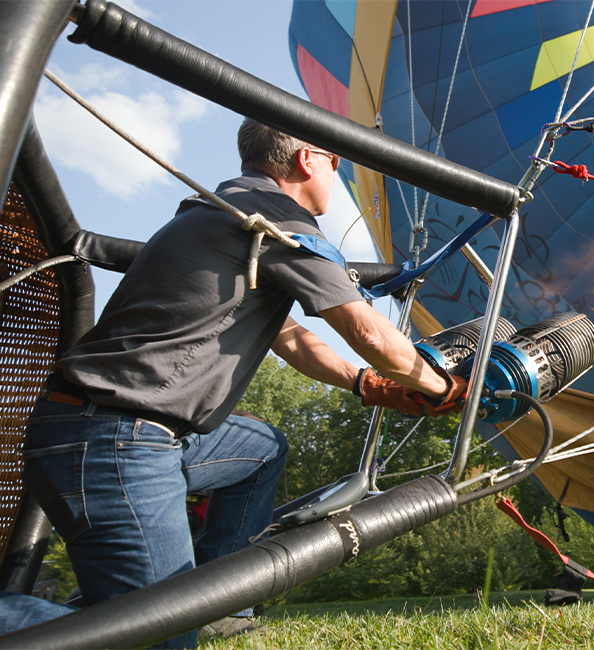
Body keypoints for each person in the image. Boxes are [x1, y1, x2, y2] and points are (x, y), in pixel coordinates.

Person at [0, 119, 466, 647]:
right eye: (338, 161)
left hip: (110, 431)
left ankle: (220, 598)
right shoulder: (275, 222)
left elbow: (289, 338)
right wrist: (442, 386)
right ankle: (166, 611)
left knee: (261, 450)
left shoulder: (225, 213)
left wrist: (366, 385)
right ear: (308, 158)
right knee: (164, 635)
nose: (339, 175)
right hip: (115, 440)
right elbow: (373, 336)